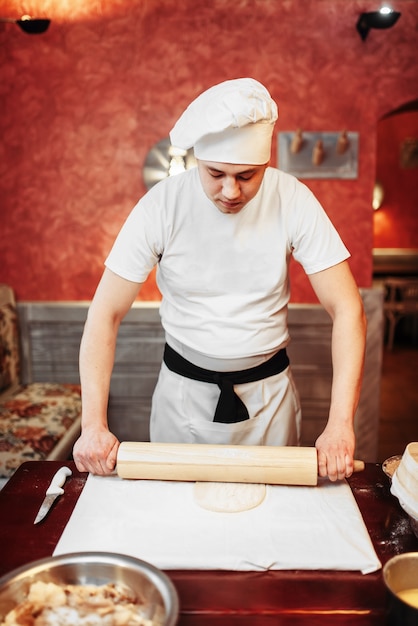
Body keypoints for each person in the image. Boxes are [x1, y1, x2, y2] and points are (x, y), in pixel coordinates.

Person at [73, 78, 367, 482]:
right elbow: (105, 312)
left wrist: (339, 424)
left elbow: (347, 308)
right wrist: (93, 425)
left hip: (269, 400)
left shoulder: (293, 198)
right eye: (216, 173)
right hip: (181, 399)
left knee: (270, 527)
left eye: (248, 176)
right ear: (197, 161)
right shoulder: (161, 205)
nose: (231, 190)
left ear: (266, 164)